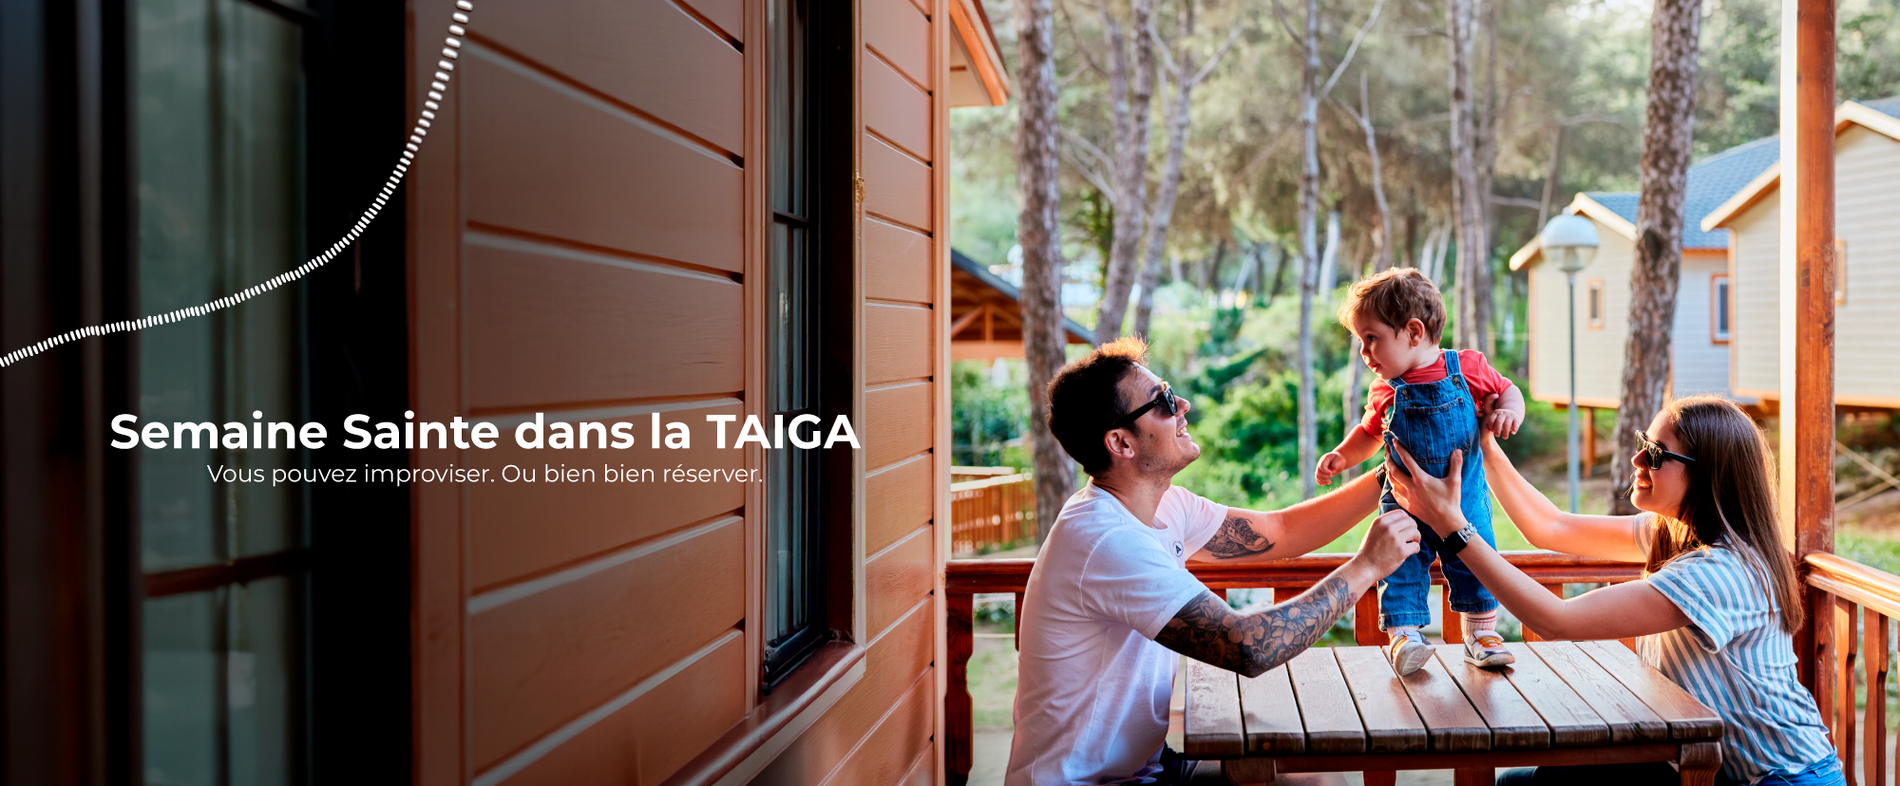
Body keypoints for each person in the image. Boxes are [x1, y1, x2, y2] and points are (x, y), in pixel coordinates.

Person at [1005, 337, 1422, 786]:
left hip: (1146, 768)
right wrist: (1365, 568)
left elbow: (1281, 532)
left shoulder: (1164, 505)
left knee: (1319, 781)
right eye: (1162, 401)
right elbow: (1248, 646)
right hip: (1084, 783)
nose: (1181, 404)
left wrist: (1397, 468)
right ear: (1121, 442)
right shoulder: (1104, 541)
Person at [1386, 394, 1843, 786]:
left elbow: (1557, 621)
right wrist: (1484, 444)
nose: (1637, 460)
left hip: (1784, 776)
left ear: (1707, 478)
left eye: (1657, 455)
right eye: (1645, 444)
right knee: (1523, 782)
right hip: (1710, 766)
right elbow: (1551, 527)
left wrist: (1452, 527)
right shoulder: (1674, 531)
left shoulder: (1721, 571)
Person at [1314, 268, 1526, 674]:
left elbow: (1507, 389)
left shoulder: (1467, 367)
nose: (1364, 352)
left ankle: (1481, 635)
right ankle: (1405, 637)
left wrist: (1507, 411)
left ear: (1412, 331)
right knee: (1400, 565)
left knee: (1476, 563)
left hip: (1463, 499)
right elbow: (1369, 433)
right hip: (1403, 503)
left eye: (1371, 338)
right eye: (1361, 341)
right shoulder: (1385, 389)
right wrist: (1342, 456)